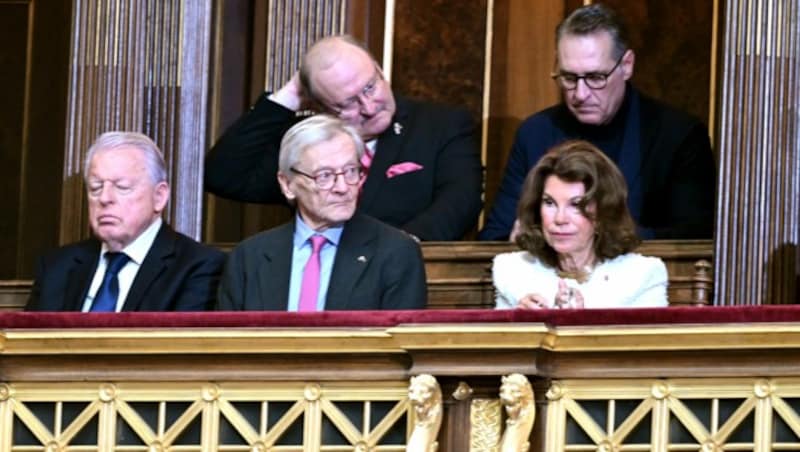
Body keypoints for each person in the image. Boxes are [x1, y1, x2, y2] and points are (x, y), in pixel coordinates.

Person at [205, 35, 482, 241]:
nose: (369, 107)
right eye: (347, 103)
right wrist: (290, 94)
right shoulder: (309, 142)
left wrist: (395, 250)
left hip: (407, 270)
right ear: (319, 106)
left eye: (371, 87)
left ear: (380, 70)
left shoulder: (440, 125)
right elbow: (224, 176)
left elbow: (460, 201)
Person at [480, 3, 715, 241]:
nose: (580, 94)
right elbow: (494, 237)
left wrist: (588, 240)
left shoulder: (678, 135)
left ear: (626, 66)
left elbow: (694, 240)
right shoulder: (535, 133)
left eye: (595, 77)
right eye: (569, 77)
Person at [216, 115, 427, 311]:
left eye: (351, 171)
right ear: (288, 184)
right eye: (324, 176)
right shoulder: (249, 258)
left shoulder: (395, 252)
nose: (342, 187)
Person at [26, 132, 225, 312]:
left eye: (122, 187)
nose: (104, 198)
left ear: (159, 197)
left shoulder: (197, 266)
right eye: (95, 188)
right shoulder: (57, 266)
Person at [493, 140, 668, 309]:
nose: (560, 219)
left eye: (576, 204)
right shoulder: (514, 272)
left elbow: (645, 340)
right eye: (549, 203)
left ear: (604, 212)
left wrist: (582, 321)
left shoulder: (642, 276)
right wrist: (521, 322)